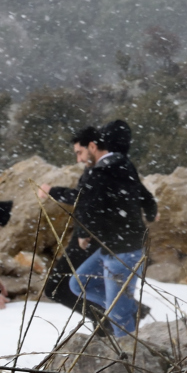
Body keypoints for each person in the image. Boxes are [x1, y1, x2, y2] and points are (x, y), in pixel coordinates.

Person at [38, 119, 157, 336]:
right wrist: (150, 207)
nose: (79, 159)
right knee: (77, 285)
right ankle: (121, 315)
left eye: (80, 152)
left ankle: (122, 342)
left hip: (115, 245)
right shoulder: (119, 165)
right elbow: (136, 192)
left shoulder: (104, 169)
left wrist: (83, 232)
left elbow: (86, 201)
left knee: (66, 289)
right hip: (110, 243)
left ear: (93, 146)